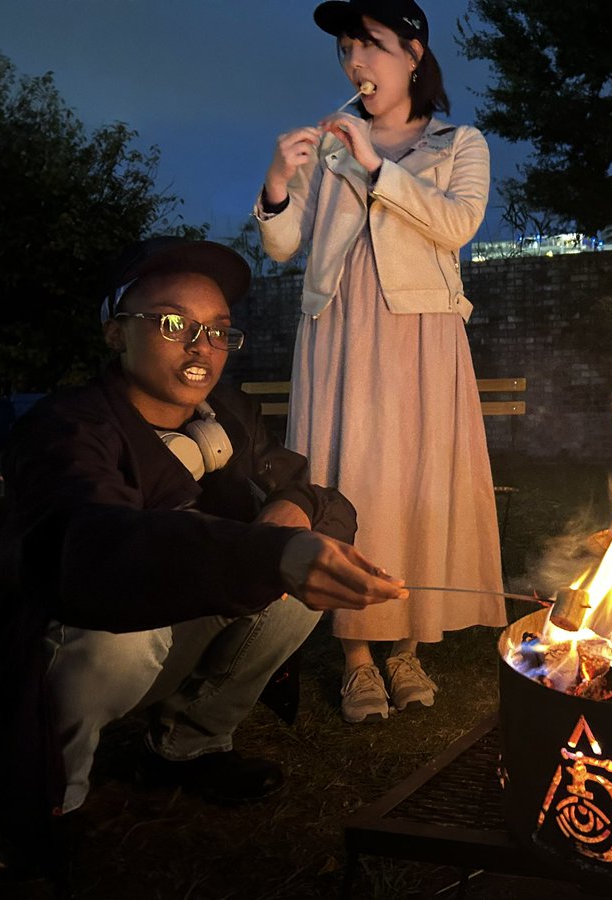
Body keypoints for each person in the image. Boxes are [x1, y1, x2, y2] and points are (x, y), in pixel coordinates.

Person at [0, 237, 407, 876]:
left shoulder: (230, 415)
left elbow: (313, 493)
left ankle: (190, 743)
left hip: (180, 613)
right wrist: (263, 551)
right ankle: (50, 799)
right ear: (115, 334)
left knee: (297, 579)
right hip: (78, 628)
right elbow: (90, 547)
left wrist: (290, 522)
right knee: (116, 642)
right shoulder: (69, 428)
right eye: (172, 324)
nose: (201, 347)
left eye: (217, 330)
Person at [256, 0, 505, 725]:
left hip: (421, 330)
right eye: (346, 51)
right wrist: (278, 180)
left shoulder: (460, 142)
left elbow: (457, 223)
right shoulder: (329, 146)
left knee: (418, 481)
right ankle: (359, 657)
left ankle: (408, 648)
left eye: (370, 46)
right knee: (349, 478)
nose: (355, 64)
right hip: (340, 332)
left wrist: (373, 164)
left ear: (414, 53)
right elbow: (281, 245)